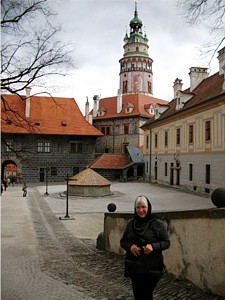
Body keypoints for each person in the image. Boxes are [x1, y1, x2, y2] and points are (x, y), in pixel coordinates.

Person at [120, 195, 170, 300]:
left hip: (152, 267)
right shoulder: (131, 223)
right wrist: (130, 246)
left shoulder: (157, 224)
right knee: (138, 295)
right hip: (135, 267)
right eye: (138, 207)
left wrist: (153, 246)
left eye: (143, 207)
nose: (141, 210)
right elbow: (123, 241)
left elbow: (166, 243)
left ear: (148, 208)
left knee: (146, 294)